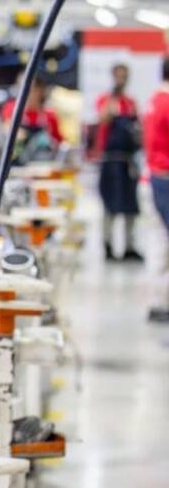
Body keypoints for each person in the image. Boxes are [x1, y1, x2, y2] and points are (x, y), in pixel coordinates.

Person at [94, 63, 142, 261]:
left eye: (124, 76)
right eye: (118, 76)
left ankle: (130, 246)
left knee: (131, 206)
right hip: (110, 160)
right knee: (110, 205)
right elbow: (102, 120)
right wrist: (111, 102)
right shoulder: (105, 100)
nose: (121, 80)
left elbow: (137, 130)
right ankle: (108, 245)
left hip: (127, 161)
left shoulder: (131, 103)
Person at [144, 58, 169, 321]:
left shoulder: (155, 99)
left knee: (159, 239)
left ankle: (158, 300)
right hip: (165, 176)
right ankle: (160, 302)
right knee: (163, 243)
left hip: (155, 174)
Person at [1, 74, 63, 163]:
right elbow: (4, 129)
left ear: (39, 90)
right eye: (20, 89)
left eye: (29, 90)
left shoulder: (49, 115)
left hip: (43, 165)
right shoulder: (11, 109)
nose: (24, 93)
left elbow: (60, 143)